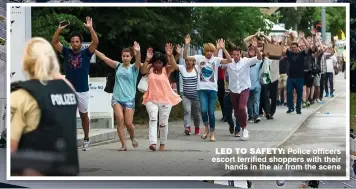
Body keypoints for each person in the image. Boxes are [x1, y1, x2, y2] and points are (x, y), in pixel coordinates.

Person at [10, 37, 79, 176]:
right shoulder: (68, 88)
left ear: (26, 62)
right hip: (68, 175)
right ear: (52, 60)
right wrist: (52, 67)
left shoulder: (23, 95)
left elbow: (11, 148)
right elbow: (58, 78)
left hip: (35, 176)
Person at [51, 16, 99, 151]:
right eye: (72, 42)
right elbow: (54, 42)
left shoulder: (86, 53)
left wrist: (90, 29)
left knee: (84, 115)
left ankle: (86, 139)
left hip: (83, 90)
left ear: (80, 43)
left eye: (77, 41)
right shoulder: (66, 52)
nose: (75, 44)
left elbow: (95, 42)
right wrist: (59, 30)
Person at [94, 41, 147, 151]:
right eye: (123, 56)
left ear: (131, 57)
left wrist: (138, 51)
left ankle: (132, 137)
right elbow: (104, 58)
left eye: (127, 56)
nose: (125, 58)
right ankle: (123, 145)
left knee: (128, 123)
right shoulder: (118, 65)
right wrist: (93, 49)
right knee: (119, 119)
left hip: (129, 99)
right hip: (117, 98)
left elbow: (138, 60)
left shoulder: (134, 68)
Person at [183, 35, 232, 142]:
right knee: (204, 110)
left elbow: (229, 60)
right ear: (204, 51)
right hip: (201, 89)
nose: (209, 53)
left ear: (213, 51)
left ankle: (212, 133)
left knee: (211, 112)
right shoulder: (199, 58)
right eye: (207, 51)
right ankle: (206, 127)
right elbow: (185, 57)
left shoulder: (216, 60)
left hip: (213, 90)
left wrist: (223, 49)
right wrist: (186, 45)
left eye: (211, 51)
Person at [141, 43, 181, 151]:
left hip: (165, 100)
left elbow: (174, 66)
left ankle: (162, 144)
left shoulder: (166, 70)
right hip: (151, 99)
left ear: (163, 63)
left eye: (160, 62)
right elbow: (142, 71)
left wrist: (171, 55)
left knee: (163, 123)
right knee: (153, 119)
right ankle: (153, 143)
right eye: (156, 62)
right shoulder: (149, 68)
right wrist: (147, 60)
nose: (157, 64)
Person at [223, 44, 262, 140]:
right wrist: (222, 48)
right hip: (233, 90)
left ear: (241, 54)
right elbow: (214, 60)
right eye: (234, 55)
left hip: (244, 88)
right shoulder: (229, 62)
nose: (235, 57)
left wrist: (256, 47)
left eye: (237, 55)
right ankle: (237, 125)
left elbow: (259, 58)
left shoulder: (246, 61)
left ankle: (244, 128)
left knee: (241, 108)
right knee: (236, 112)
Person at [172, 50, 201, 136]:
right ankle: (187, 128)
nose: (188, 62)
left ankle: (197, 127)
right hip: (186, 95)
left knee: (196, 114)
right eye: (187, 60)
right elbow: (174, 65)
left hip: (196, 96)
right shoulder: (182, 68)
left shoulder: (197, 68)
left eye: (190, 60)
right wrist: (172, 55)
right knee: (187, 111)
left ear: (194, 62)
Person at [285, 32, 310, 114]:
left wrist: (302, 38)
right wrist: (287, 37)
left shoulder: (302, 54)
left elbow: (308, 47)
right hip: (290, 77)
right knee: (289, 92)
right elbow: (288, 44)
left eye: (295, 47)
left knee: (299, 94)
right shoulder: (289, 54)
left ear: (297, 47)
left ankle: (298, 108)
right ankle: (290, 107)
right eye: (292, 47)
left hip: (299, 77)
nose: (293, 48)